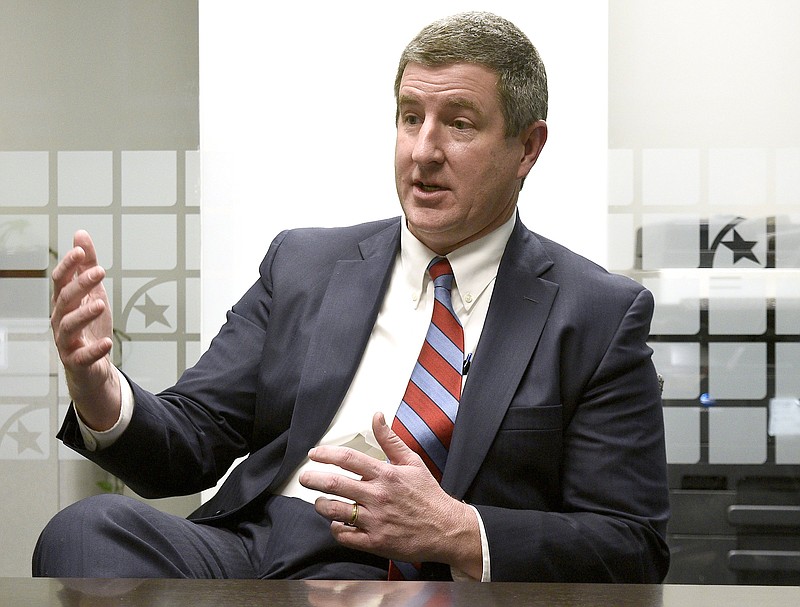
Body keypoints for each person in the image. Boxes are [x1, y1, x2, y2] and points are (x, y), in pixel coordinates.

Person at [34, 11, 670, 582]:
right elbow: (191, 439)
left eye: (459, 125)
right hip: (256, 554)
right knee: (89, 531)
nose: (424, 152)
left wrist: (457, 531)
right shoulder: (306, 264)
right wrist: (99, 389)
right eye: (410, 118)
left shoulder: (596, 314)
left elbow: (630, 543)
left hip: (419, 576)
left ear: (528, 147)